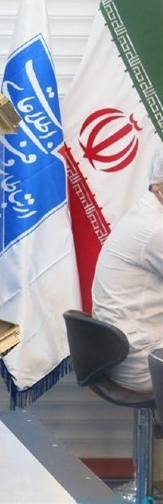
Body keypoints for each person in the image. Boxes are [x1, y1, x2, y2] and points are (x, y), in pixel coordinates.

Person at [91, 143, 163, 393]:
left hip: (122, 351)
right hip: (144, 363)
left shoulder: (145, 213)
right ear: (158, 184)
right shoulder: (154, 229)